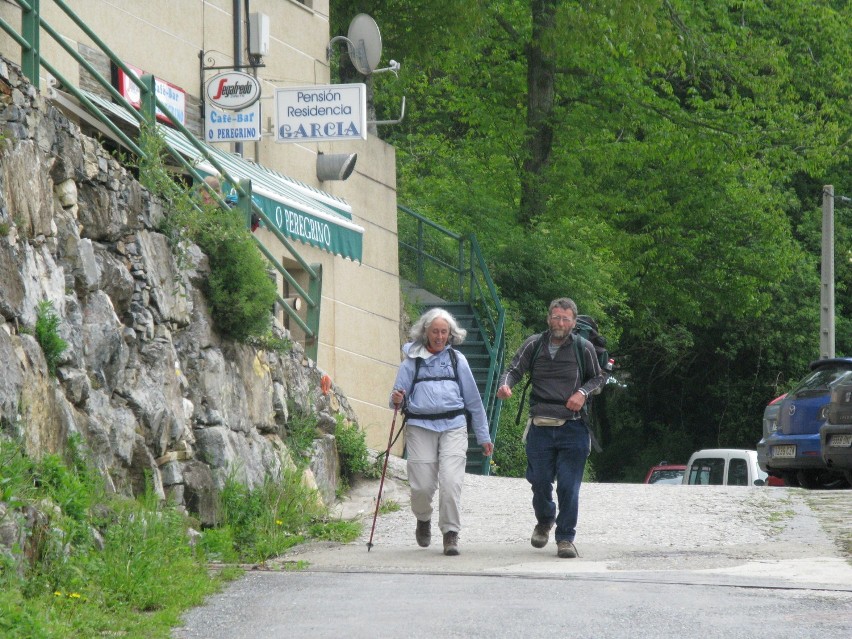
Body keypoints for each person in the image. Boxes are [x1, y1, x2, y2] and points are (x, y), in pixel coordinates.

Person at [496, 297, 606, 559]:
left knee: (569, 486)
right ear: (548, 318)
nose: (560, 323)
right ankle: (545, 520)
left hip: (574, 426)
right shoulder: (534, 344)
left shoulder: (584, 347)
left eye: (566, 319)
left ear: (573, 321)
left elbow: (600, 378)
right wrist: (505, 385)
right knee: (539, 481)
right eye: (556, 317)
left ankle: (565, 537)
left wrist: (582, 392)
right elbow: (513, 369)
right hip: (540, 425)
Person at [390, 308, 494, 556]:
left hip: (454, 426)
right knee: (422, 485)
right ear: (425, 332)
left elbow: (474, 402)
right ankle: (423, 519)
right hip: (420, 426)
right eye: (435, 331)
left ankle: (450, 533)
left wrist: (483, 436)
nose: (439, 336)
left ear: (450, 335)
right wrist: (396, 399)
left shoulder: (458, 360)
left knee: (451, 481)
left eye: (444, 332)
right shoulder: (411, 361)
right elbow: (396, 400)